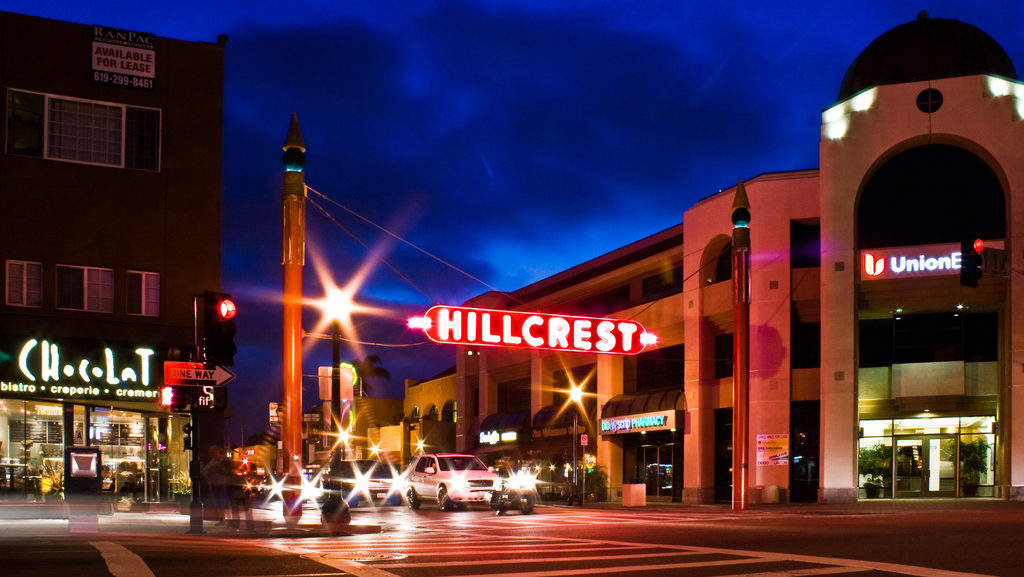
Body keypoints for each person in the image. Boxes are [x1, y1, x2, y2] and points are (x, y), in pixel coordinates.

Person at [226, 449, 255, 531]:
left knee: (236, 510)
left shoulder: (231, 471)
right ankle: (249, 526)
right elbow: (249, 479)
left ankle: (236, 526)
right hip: (242, 491)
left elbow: (228, 482)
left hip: (235, 491)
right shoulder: (244, 469)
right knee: (246, 510)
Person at [203, 445, 230, 525]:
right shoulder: (213, 462)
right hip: (215, 484)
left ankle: (224, 519)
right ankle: (222, 519)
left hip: (220, 484)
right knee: (218, 502)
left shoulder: (220, 461)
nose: (213, 454)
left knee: (222, 502)